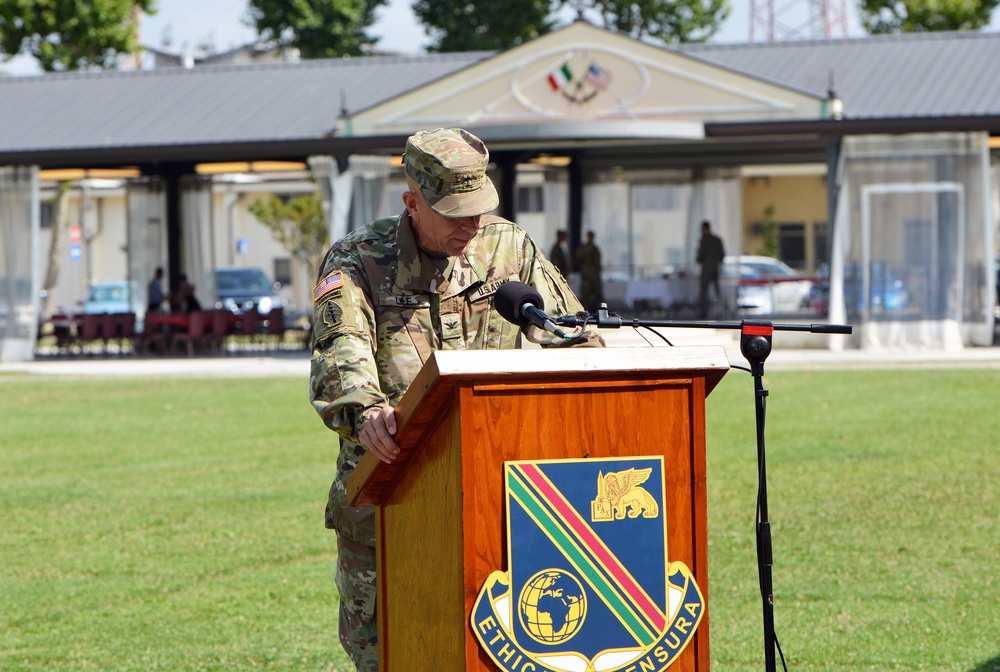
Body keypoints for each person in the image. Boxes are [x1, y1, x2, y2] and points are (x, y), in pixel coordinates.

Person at [309, 128, 603, 672]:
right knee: (393, 654)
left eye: (479, 209)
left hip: (502, 497)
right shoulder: (358, 260)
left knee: (499, 651)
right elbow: (340, 354)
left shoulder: (508, 247)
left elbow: (573, 335)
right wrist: (368, 410)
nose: (470, 225)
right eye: (454, 213)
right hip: (391, 497)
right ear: (412, 203)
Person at [695, 220, 726, 318]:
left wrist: (700, 259)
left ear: (705, 228)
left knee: (704, 292)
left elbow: (700, 256)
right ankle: (721, 311)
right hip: (716, 268)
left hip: (707, 269)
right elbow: (722, 255)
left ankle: (704, 312)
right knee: (718, 291)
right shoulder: (717, 240)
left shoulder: (704, 240)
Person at [574, 230, 603, 312]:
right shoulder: (594, 249)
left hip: (586, 273)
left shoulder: (583, 248)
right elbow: (598, 262)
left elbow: (577, 260)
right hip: (592, 274)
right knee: (594, 293)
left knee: (586, 293)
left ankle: (586, 310)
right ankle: (598, 310)